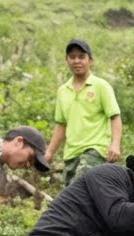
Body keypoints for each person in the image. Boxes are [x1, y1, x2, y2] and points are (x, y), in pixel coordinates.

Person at [44, 39, 122, 185]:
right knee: (73, 193)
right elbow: (61, 125)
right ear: (67, 60)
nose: (77, 61)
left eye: (81, 57)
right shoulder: (63, 91)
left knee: (78, 188)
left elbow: (114, 116)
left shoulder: (101, 86)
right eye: (72, 57)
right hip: (71, 154)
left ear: (90, 60)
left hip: (95, 150)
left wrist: (115, 144)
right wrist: (49, 152)